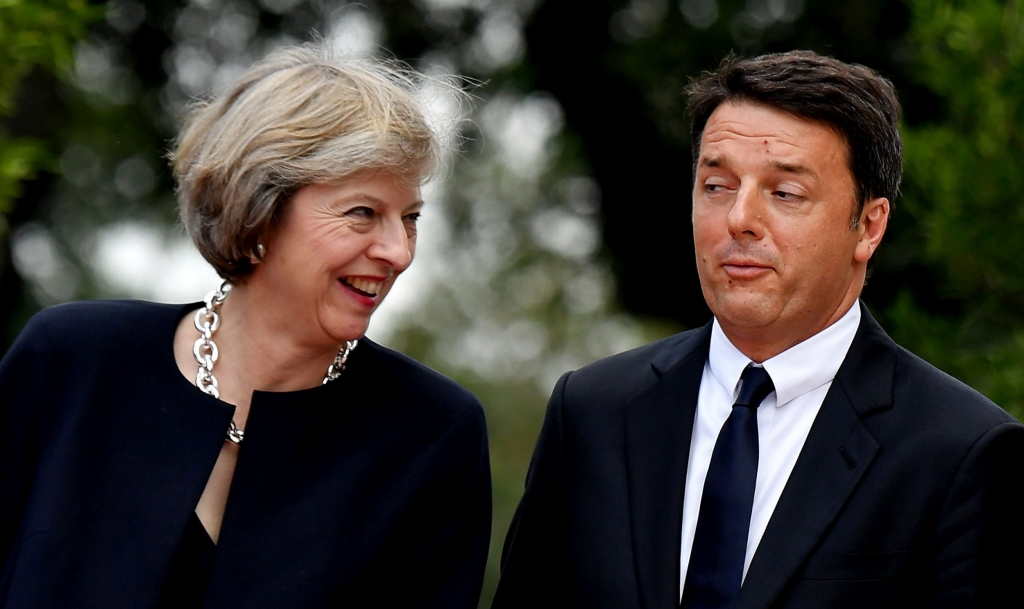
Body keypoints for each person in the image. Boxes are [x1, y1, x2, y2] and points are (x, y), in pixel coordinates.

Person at [493, 50, 1024, 609]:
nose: (739, 218)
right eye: (716, 186)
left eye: (785, 193)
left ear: (869, 226)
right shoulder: (593, 411)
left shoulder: (960, 451)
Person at [0, 43, 490, 608]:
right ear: (257, 210)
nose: (398, 253)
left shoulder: (431, 432)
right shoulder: (74, 360)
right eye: (363, 213)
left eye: (410, 219)